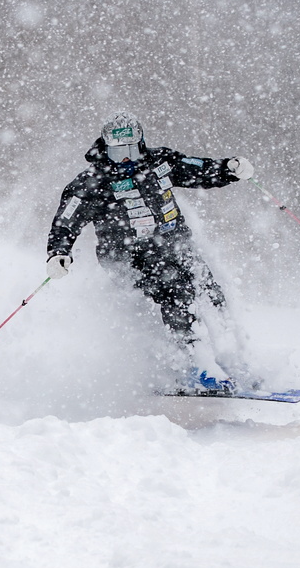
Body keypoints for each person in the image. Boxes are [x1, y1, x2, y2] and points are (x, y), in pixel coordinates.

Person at [45, 112, 254, 391]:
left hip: (174, 244)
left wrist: (229, 168)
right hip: (129, 257)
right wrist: (59, 252)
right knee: (176, 292)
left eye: (131, 149)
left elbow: (198, 169)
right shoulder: (92, 182)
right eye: (119, 152)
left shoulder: (161, 162)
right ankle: (190, 365)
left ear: (141, 144)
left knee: (209, 292)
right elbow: (66, 220)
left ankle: (232, 363)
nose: (127, 158)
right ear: (106, 149)